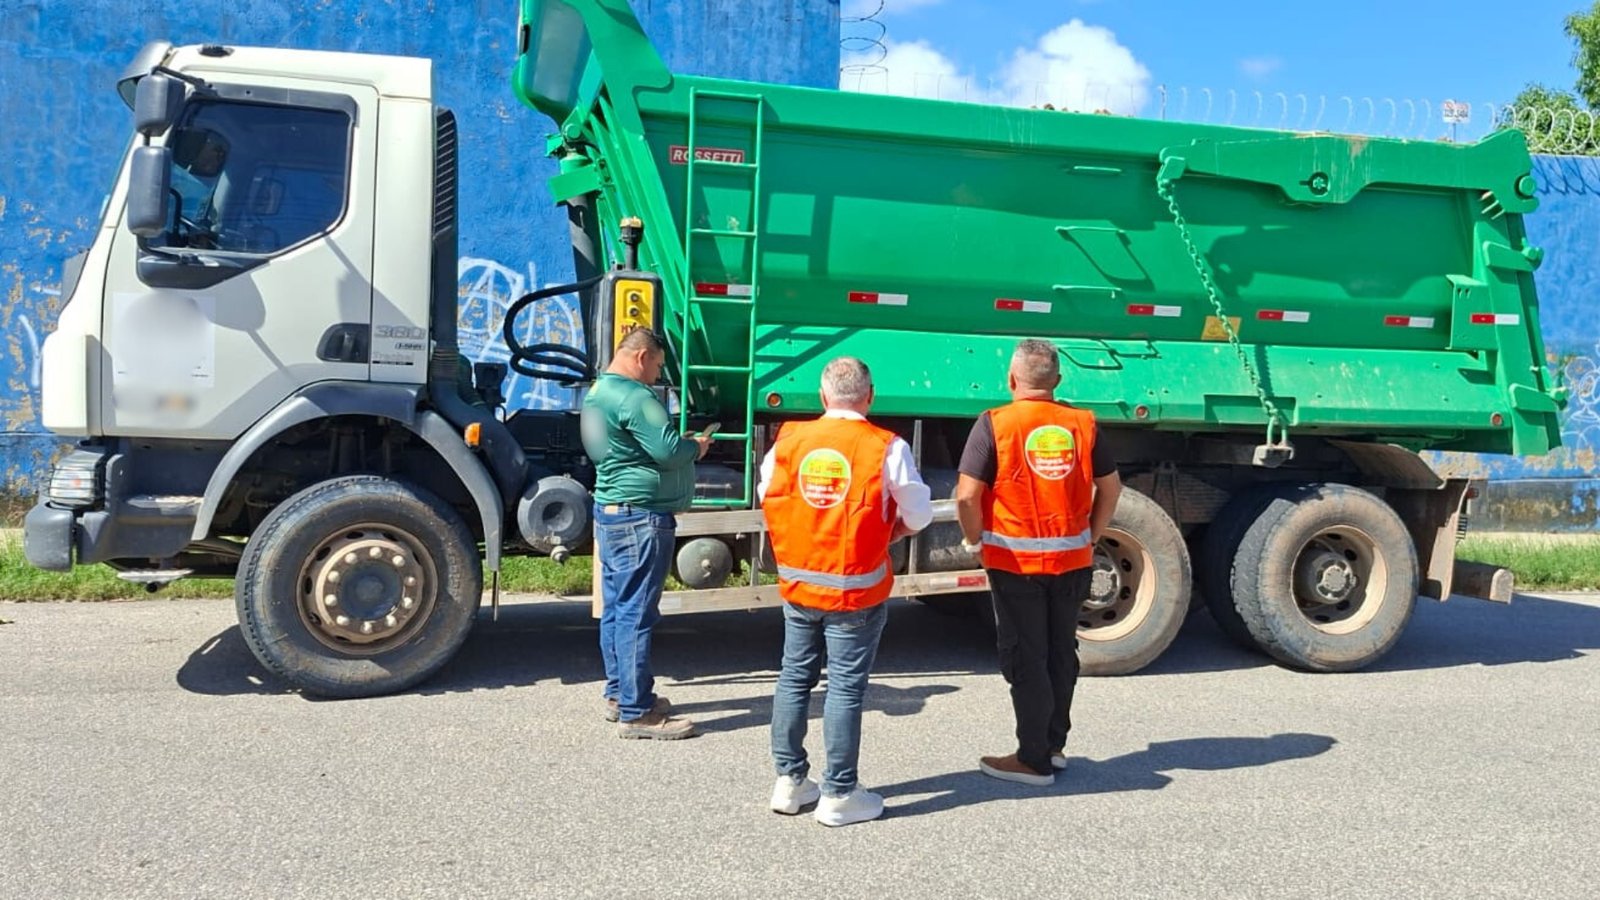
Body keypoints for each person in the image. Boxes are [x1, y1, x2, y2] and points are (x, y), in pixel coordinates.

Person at [758, 357, 932, 826]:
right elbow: (918, 512)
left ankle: (789, 782)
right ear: (870, 397)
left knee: (793, 678)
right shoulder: (885, 447)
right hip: (856, 589)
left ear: (822, 396)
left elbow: (767, 494)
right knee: (845, 689)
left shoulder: (789, 441)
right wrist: (892, 530)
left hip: (799, 584)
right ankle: (838, 793)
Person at [954, 338, 1122, 786]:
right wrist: (1092, 536)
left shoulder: (995, 424)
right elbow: (1111, 487)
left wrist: (974, 541)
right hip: (1072, 561)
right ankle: (1053, 744)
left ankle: (1032, 760)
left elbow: (967, 496)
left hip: (1014, 564)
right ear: (1058, 381)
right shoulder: (1082, 424)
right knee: (1060, 653)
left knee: (1026, 656)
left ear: (1011, 380)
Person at [581, 329, 710, 740]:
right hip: (641, 518)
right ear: (640, 357)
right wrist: (696, 447)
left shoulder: (598, 392)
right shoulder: (637, 398)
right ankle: (638, 714)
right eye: (656, 365)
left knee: (618, 609)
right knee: (636, 613)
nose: (656, 375)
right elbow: (669, 451)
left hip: (612, 511)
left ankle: (620, 695)